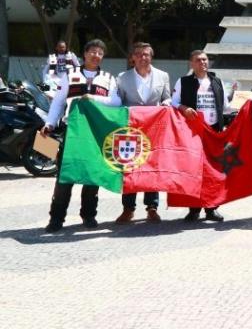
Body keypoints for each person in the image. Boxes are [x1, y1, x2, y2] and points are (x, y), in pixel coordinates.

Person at [42, 39, 121, 233]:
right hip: (73, 131)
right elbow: (58, 102)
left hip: (95, 133)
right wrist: (49, 123)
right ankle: (56, 218)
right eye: (92, 51)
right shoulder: (70, 75)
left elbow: (116, 101)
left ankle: (89, 215)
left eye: (100, 53)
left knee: (92, 175)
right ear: (84, 54)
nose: (96, 55)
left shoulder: (108, 78)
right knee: (64, 176)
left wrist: (94, 98)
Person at [115, 42, 172, 224]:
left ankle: (152, 208)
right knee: (129, 168)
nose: (142, 57)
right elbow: (118, 102)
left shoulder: (163, 76)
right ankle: (128, 209)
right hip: (130, 131)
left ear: (151, 56)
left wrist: (166, 104)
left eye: (146, 54)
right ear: (132, 58)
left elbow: (167, 97)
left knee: (152, 167)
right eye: (138, 54)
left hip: (154, 129)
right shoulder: (122, 77)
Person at [172, 50, 229, 222]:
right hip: (192, 133)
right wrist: (184, 108)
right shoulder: (183, 81)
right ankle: (194, 209)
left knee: (213, 172)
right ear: (191, 63)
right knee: (193, 171)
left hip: (214, 132)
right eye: (198, 60)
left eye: (205, 59)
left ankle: (212, 208)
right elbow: (172, 102)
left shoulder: (217, 81)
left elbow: (225, 105)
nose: (202, 62)